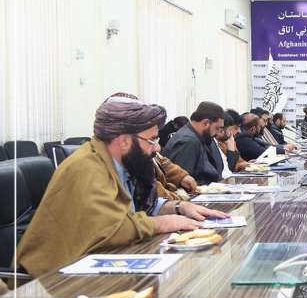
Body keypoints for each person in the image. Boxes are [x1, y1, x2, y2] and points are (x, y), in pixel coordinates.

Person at [17, 94, 227, 277]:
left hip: (96, 264)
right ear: (125, 141)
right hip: (54, 280)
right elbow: (112, 228)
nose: (157, 148)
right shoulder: (87, 167)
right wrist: (162, 223)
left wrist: (179, 207)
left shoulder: (122, 162)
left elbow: (142, 206)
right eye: (152, 140)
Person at [163, 102, 227, 185]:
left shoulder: (200, 137)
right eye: (217, 128)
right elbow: (184, 183)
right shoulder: (188, 141)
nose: (218, 133)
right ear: (206, 123)